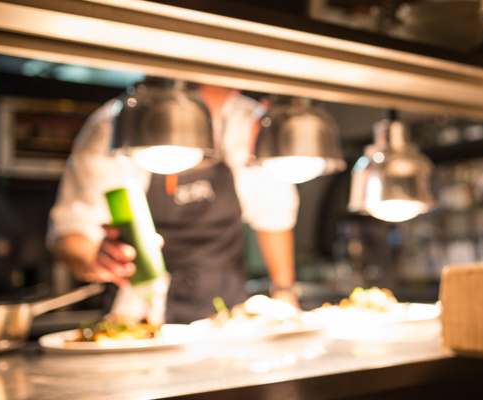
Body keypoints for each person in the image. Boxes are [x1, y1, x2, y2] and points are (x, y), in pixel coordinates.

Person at [48, 78, 300, 324]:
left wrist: (284, 289)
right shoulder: (114, 126)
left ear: (232, 90)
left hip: (228, 319)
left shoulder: (247, 124)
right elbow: (71, 234)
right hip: (139, 318)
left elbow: (274, 218)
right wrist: (97, 260)